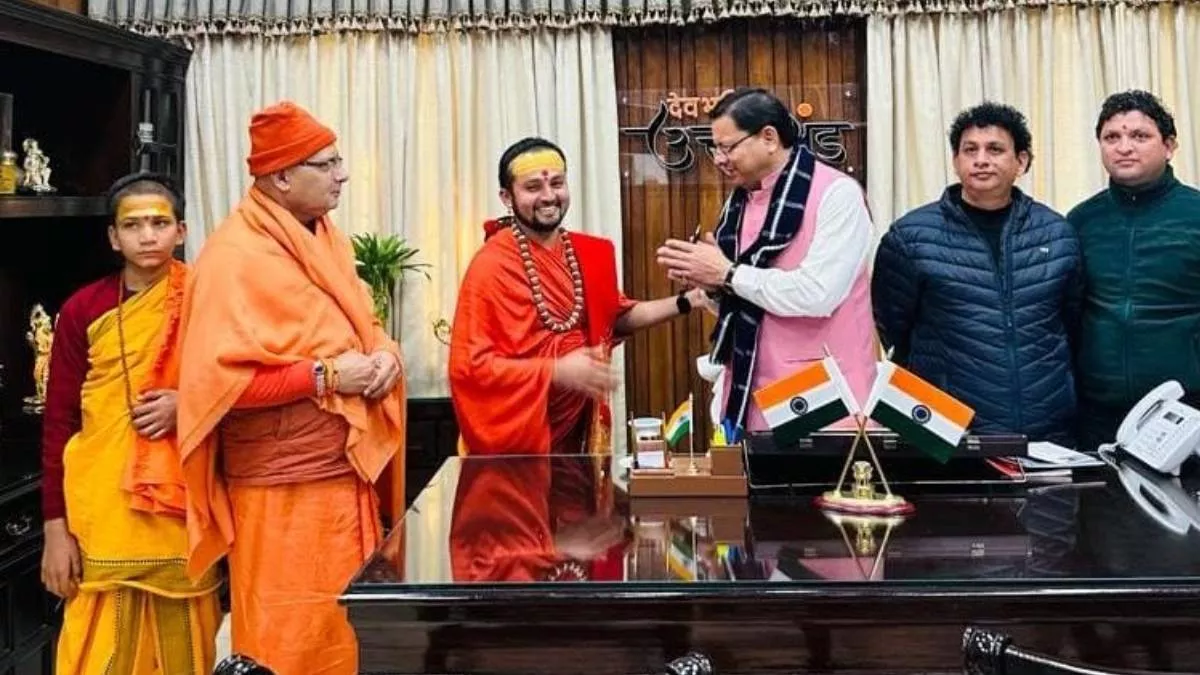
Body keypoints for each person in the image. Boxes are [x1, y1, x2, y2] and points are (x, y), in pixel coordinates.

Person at [176, 100, 406, 675]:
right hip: (278, 492)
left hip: (343, 476)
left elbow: (364, 325)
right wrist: (325, 376)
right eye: (327, 164)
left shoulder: (328, 238)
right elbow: (217, 386)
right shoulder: (232, 257)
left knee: (348, 631)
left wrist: (385, 355)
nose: (342, 175)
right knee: (287, 636)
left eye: (338, 162)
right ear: (281, 177)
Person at [41, 172, 221, 674]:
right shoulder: (84, 309)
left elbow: (243, 384)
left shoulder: (207, 299)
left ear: (181, 232)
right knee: (98, 641)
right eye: (133, 225)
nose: (147, 236)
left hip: (180, 507)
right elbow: (59, 419)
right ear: (113, 237)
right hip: (102, 507)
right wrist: (55, 528)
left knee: (185, 643)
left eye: (159, 223)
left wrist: (188, 404)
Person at [448, 137, 708, 455]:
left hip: (581, 434)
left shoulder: (588, 253)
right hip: (519, 444)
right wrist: (555, 371)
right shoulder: (491, 265)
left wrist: (689, 300)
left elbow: (612, 319)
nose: (549, 196)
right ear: (507, 197)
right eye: (533, 187)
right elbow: (470, 369)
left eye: (557, 183)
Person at [656, 87, 877, 439]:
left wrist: (727, 272)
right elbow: (745, 300)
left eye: (727, 147)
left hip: (824, 402)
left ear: (769, 138)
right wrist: (712, 287)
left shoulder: (838, 194)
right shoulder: (739, 203)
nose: (719, 159)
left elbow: (817, 294)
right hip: (749, 393)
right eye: (714, 149)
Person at [872, 102, 1081, 446]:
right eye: (970, 150)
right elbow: (894, 328)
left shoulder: (1057, 234)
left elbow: (1071, 323)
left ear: (1021, 161)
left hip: (1046, 430)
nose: (981, 160)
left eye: (995, 149)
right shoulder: (910, 237)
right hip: (948, 430)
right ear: (955, 161)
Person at [1068, 90, 1200, 451]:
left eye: (1140, 136)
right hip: (1099, 414)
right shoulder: (1081, 221)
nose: (1124, 147)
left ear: (1169, 146)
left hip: (1187, 412)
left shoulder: (1195, 214)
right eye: (1112, 137)